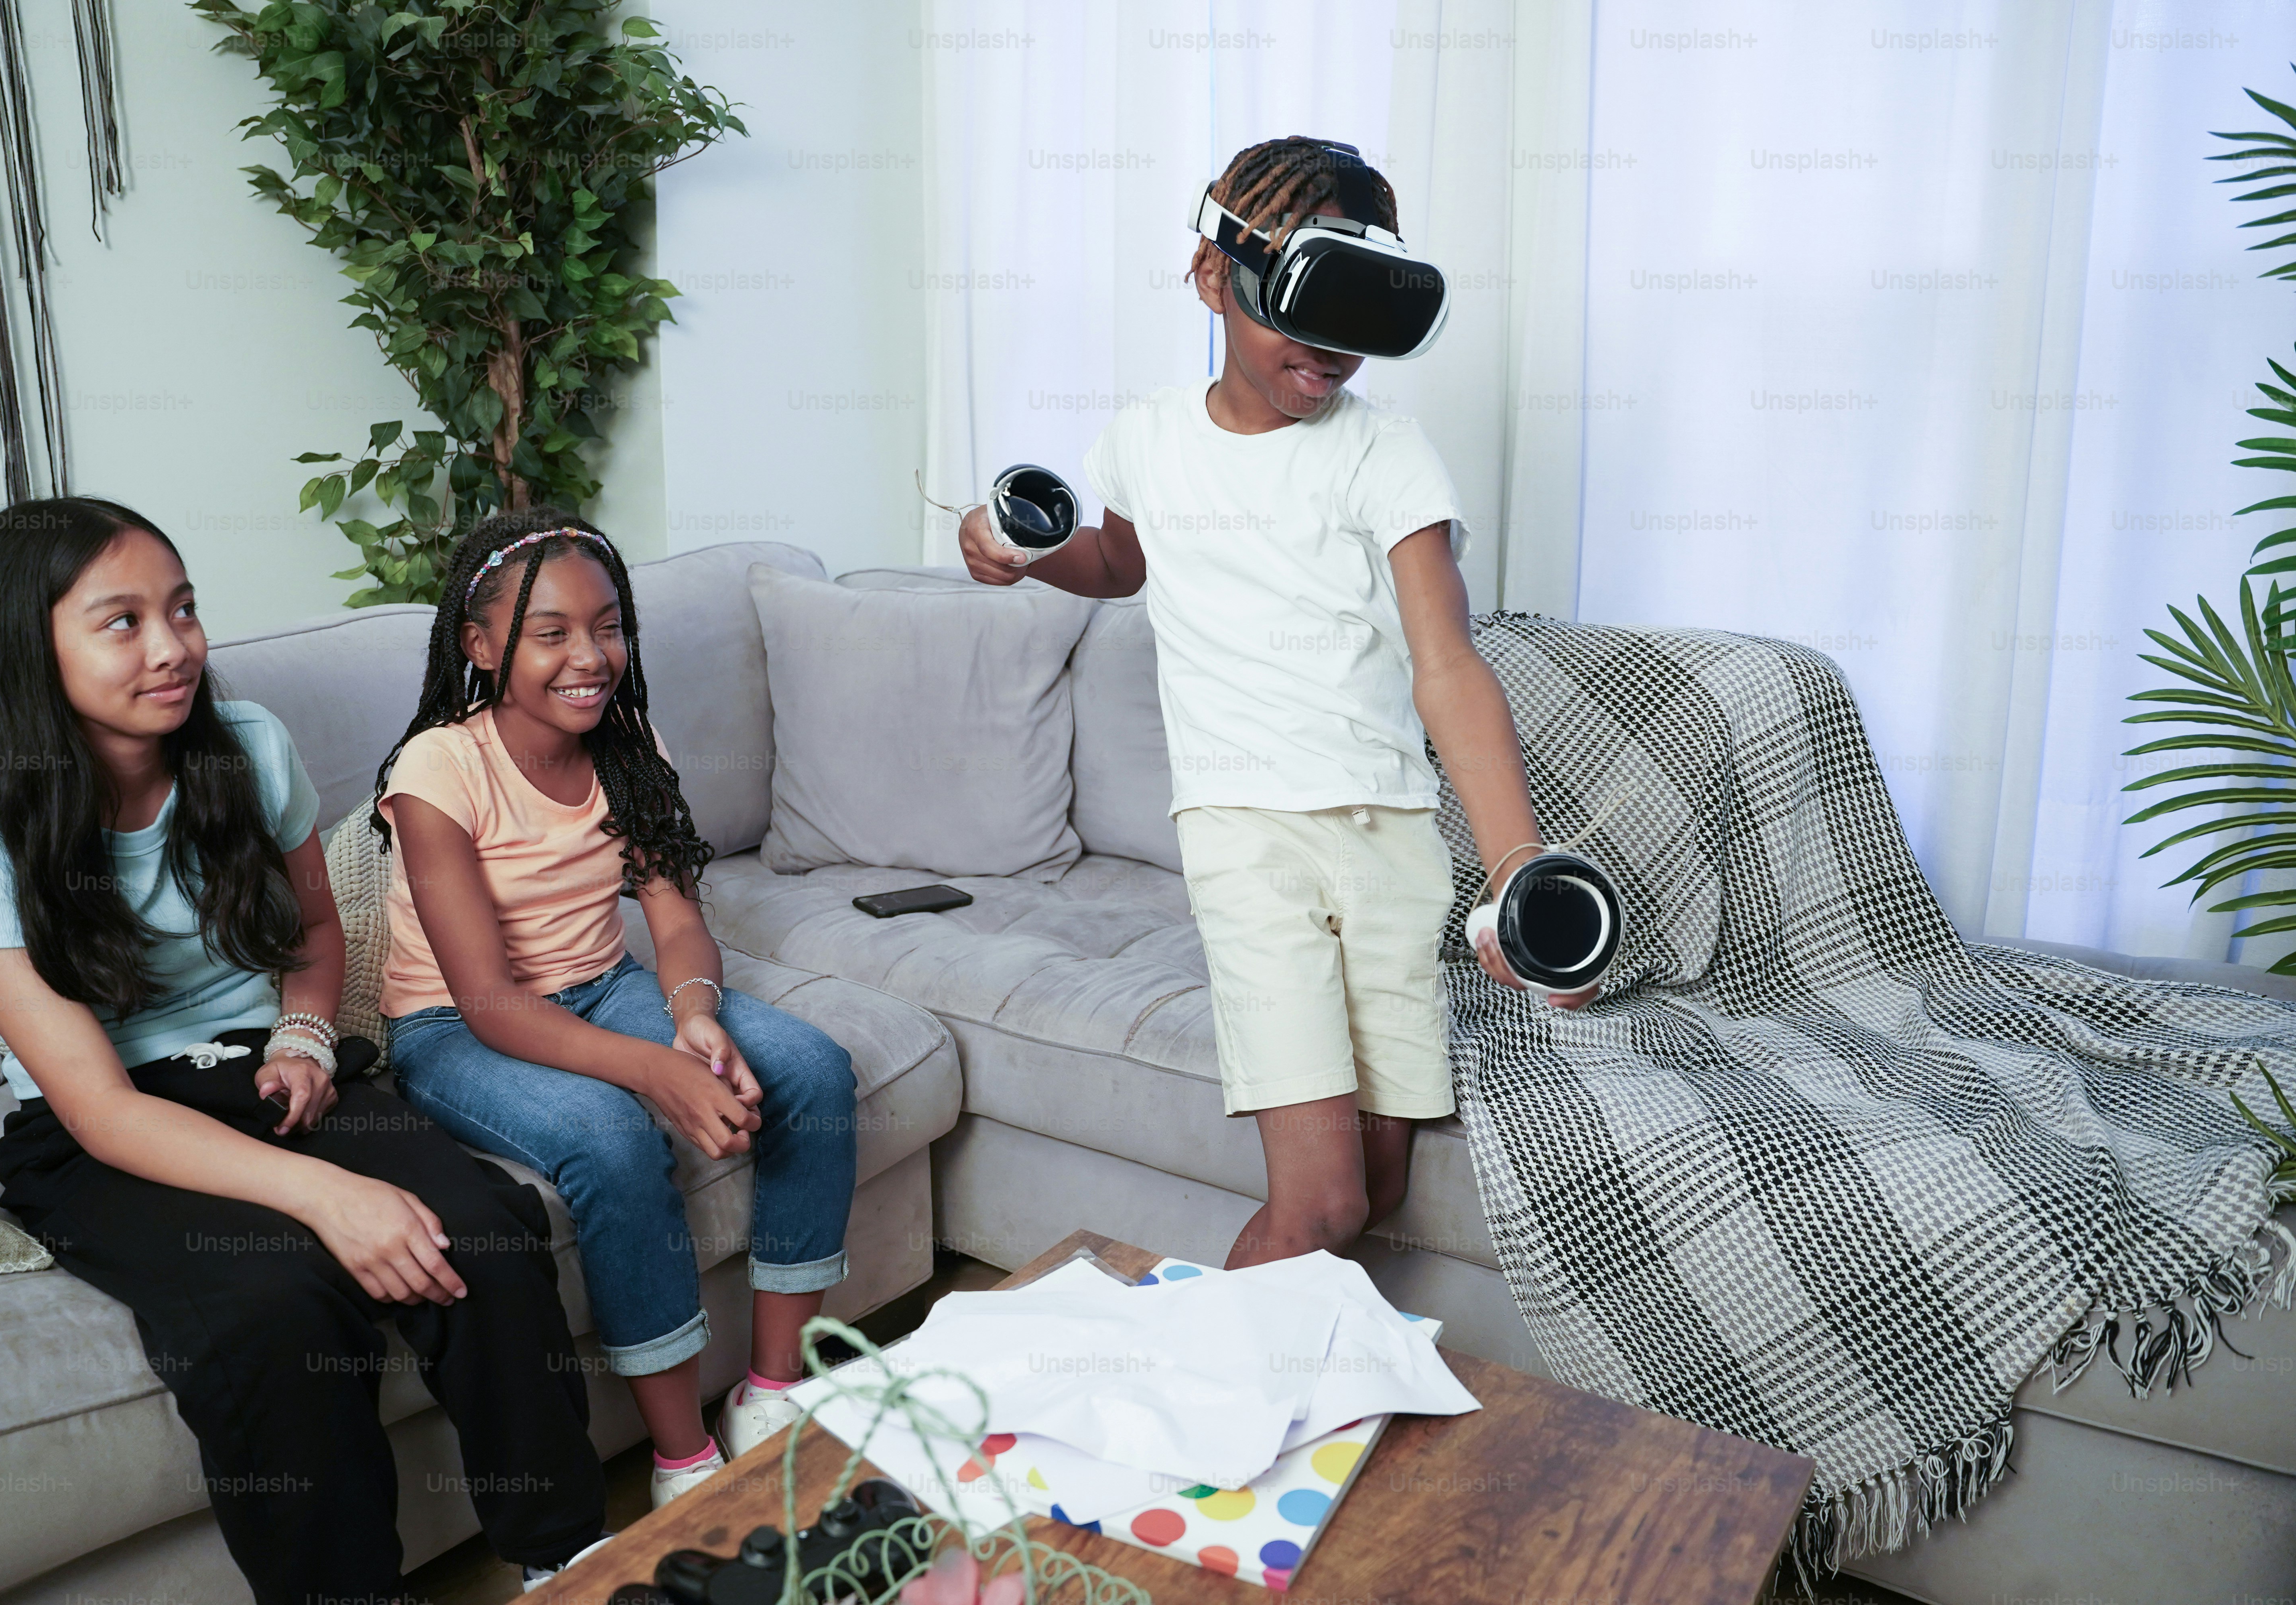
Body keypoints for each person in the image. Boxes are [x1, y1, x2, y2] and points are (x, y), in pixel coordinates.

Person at [0, 498, 609, 1605]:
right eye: (123, 621)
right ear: (26, 648)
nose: (174, 645)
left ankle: (568, 1557)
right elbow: (100, 1109)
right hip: (107, 1126)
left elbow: (315, 931)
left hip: (273, 1065)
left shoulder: (245, 747)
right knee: (271, 1307)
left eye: (183, 609)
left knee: (481, 1228)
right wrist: (330, 1197)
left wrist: (304, 1034)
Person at [959, 136, 1595, 1270]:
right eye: (1299, 326)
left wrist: (1515, 869)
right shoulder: (1147, 442)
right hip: (1245, 837)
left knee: (1378, 1184)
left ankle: (1280, 1395)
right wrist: (1024, 555)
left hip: (1393, 845)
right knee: (1319, 1206)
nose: (1328, 359)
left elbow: (1447, 663)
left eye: (1353, 334)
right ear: (1214, 279)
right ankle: (1189, 1428)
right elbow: (1119, 566)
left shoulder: (1387, 457)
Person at [373, 507, 857, 1508]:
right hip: (457, 1027)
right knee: (608, 1136)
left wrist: (693, 1016)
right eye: (551, 633)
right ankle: (682, 1459)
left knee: (811, 1067)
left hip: (606, 985)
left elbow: (676, 922)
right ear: (479, 647)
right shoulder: (438, 768)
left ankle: (772, 1390)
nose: (590, 656)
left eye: (608, 625)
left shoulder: (629, 739)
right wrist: (652, 1070)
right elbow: (491, 999)